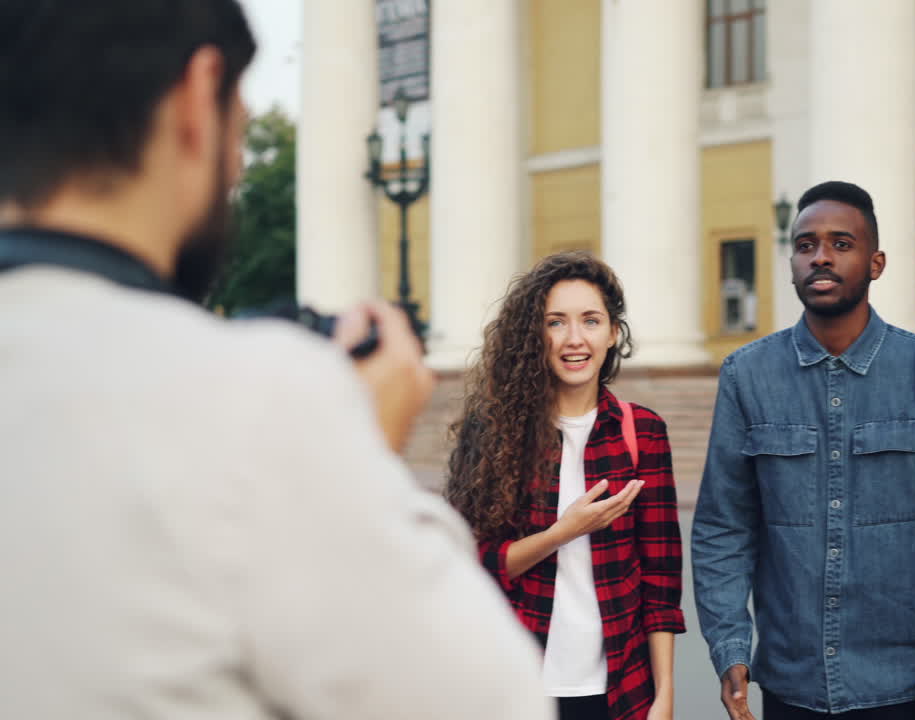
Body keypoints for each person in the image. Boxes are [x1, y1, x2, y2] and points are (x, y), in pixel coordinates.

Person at [0, 2, 551, 718]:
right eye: (243, 120)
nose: (236, 162)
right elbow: (495, 704)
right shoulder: (253, 400)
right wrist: (359, 456)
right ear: (197, 99)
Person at [692, 181, 915, 720]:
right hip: (789, 685)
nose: (820, 256)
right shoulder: (746, 375)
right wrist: (730, 646)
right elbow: (722, 528)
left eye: (841, 244)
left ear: (877, 263)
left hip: (902, 690)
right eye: (805, 245)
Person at [445, 251, 686, 720]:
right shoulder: (496, 433)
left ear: (613, 332)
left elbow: (661, 581)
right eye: (556, 322)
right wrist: (563, 531)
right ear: (534, 335)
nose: (575, 339)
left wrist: (665, 693)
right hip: (515, 684)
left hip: (620, 690)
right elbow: (472, 563)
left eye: (591, 321)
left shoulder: (643, 434)